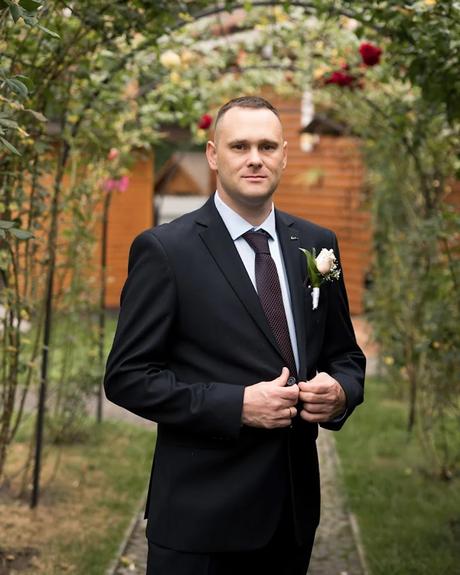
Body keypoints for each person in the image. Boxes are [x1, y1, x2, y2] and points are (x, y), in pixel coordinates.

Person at [104, 96, 365, 575]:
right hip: (200, 523)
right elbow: (126, 377)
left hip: (291, 516)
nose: (254, 158)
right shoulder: (165, 251)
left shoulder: (317, 244)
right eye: (239, 145)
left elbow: (345, 353)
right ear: (212, 155)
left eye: (267, 146)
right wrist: (235, 405)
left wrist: (341, 391)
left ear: (285, 155)